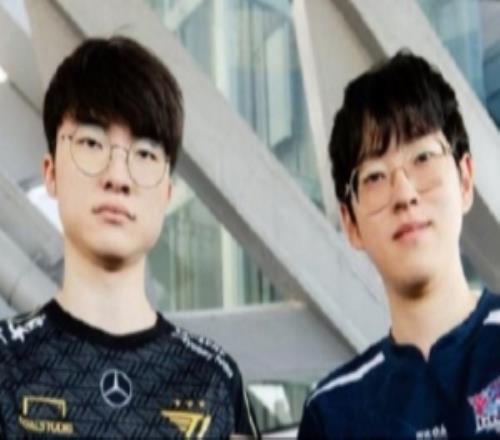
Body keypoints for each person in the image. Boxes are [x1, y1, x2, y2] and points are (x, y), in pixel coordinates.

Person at [0, 36, 258, 439]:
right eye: (91, 143)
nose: (118, 176)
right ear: (51, 173)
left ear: (167, 192)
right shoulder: (7, 364)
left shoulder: (214, 381)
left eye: (145, 153)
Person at [298, 51, 500, 438]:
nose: (404, 194)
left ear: (465, 179)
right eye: (374, 176)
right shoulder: (333, 413)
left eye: (423, 157)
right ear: (351, 222)